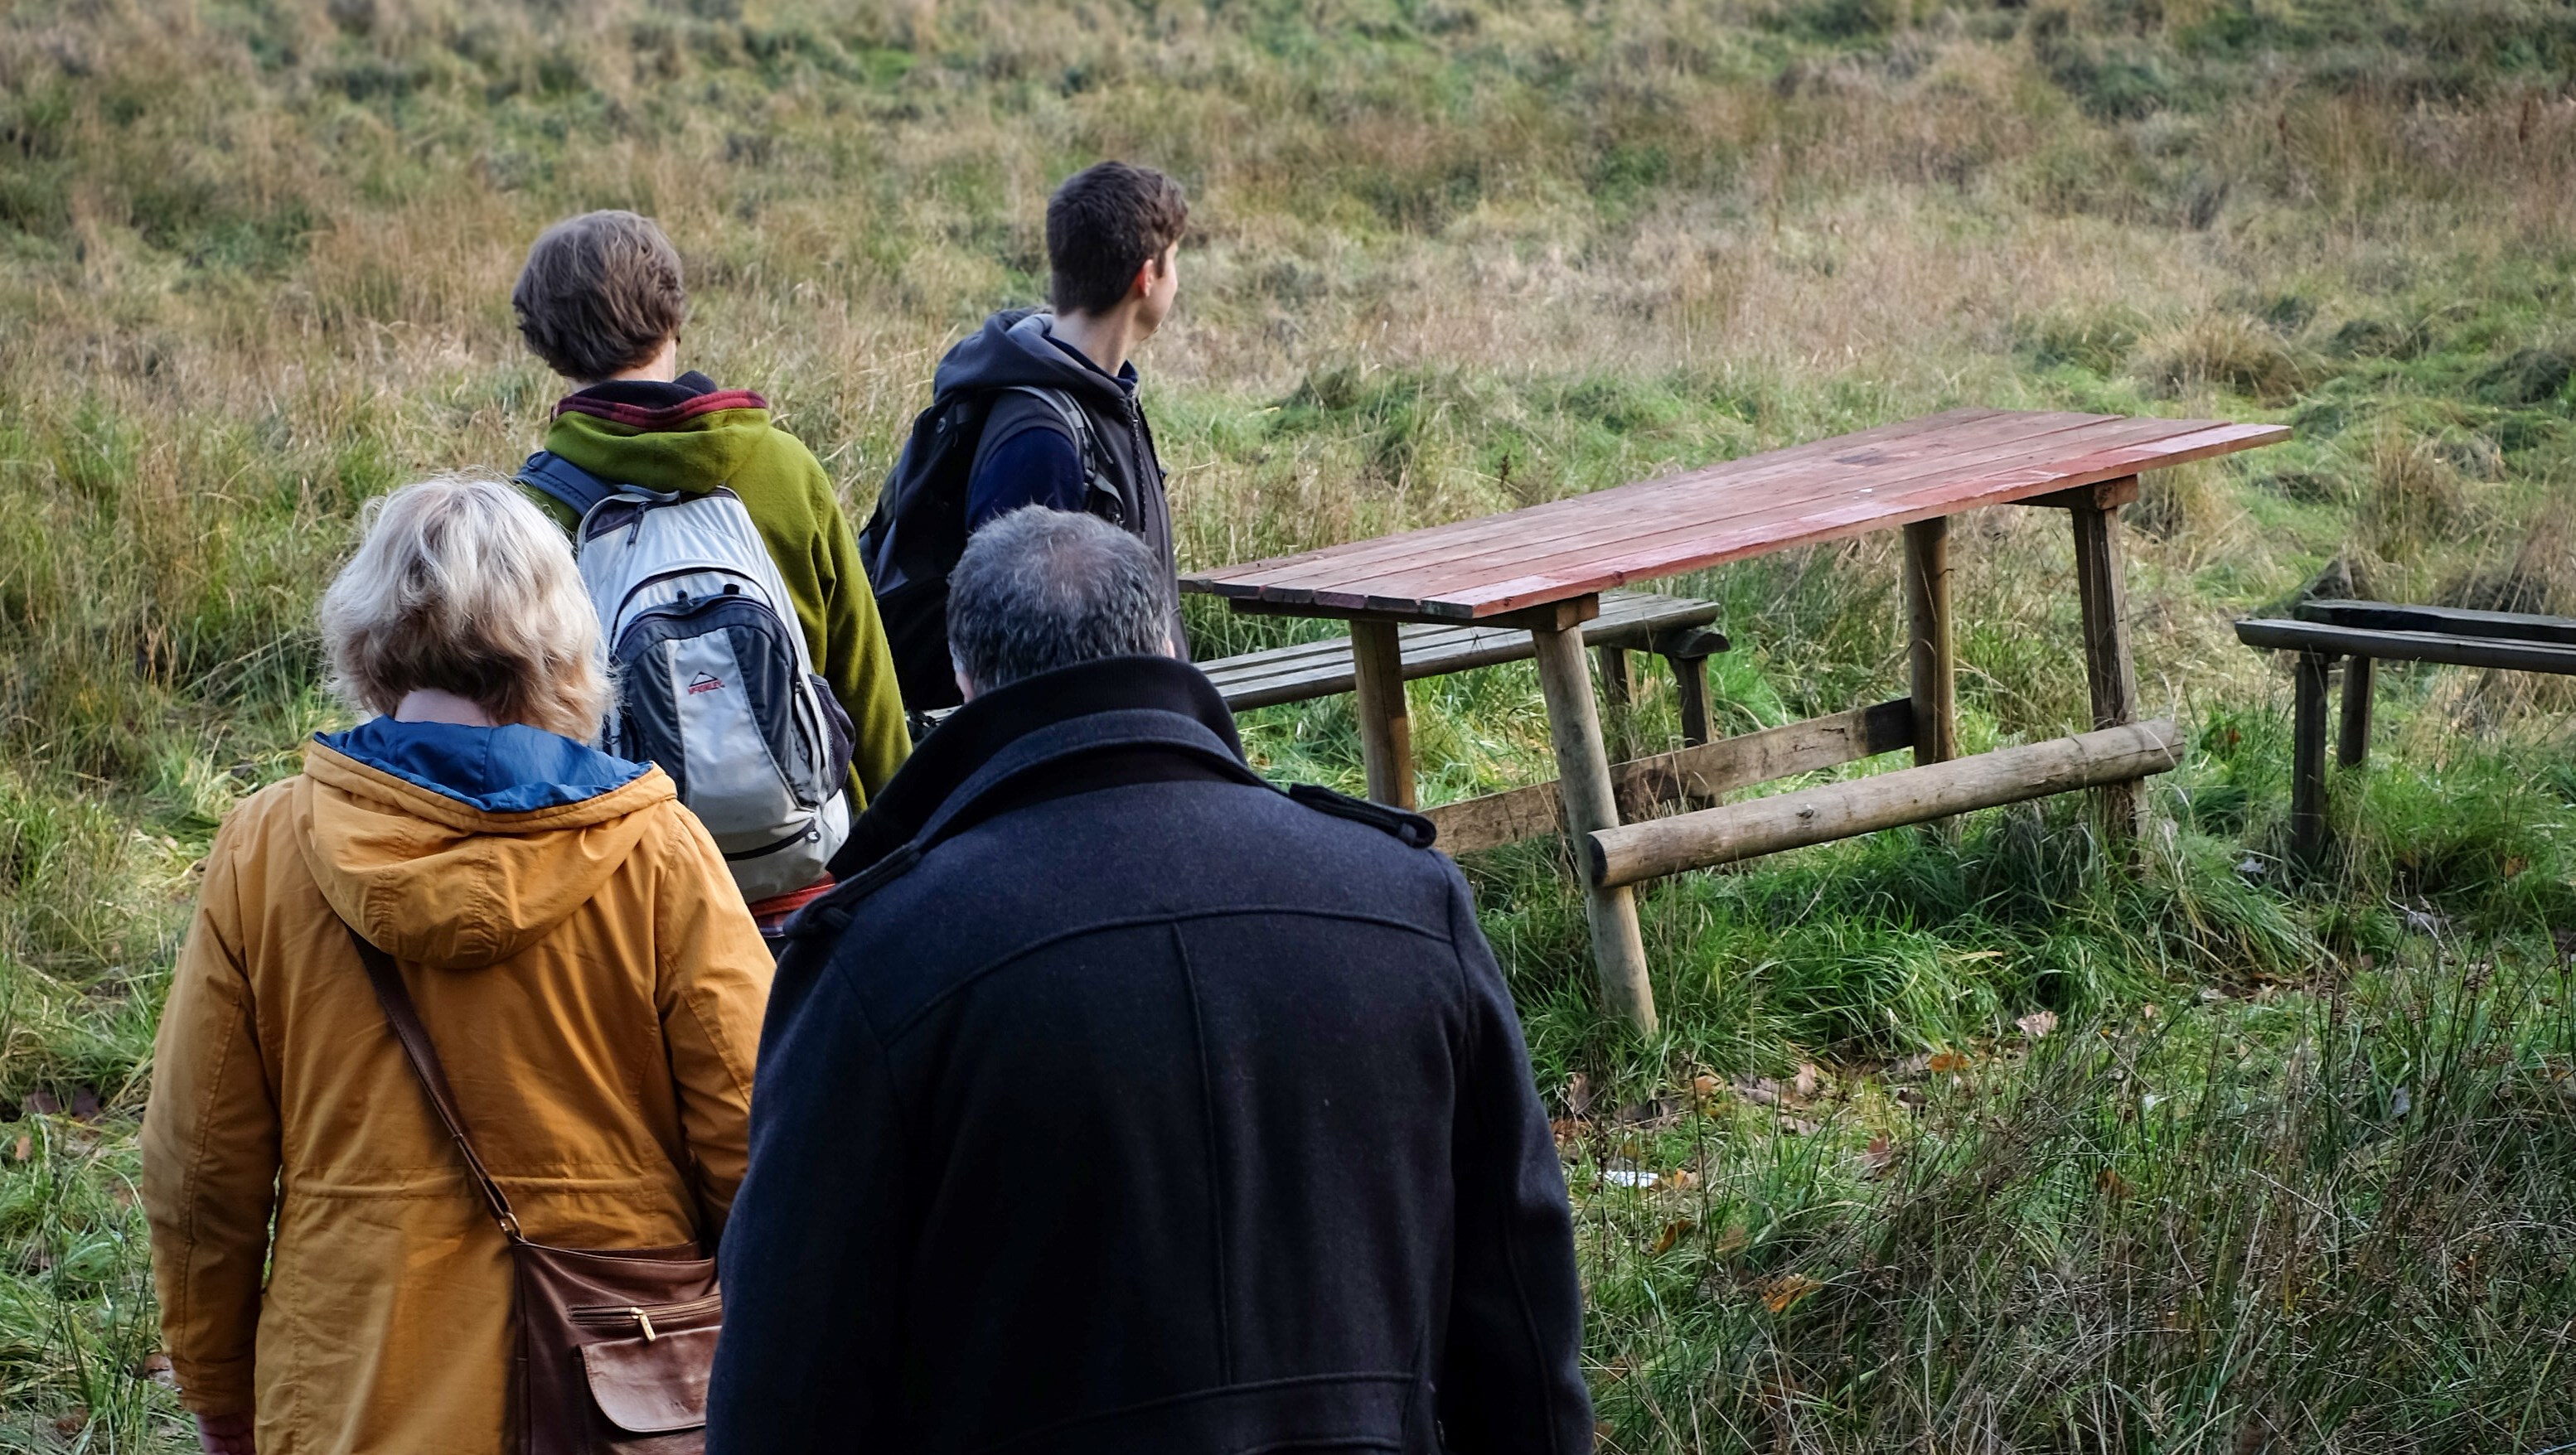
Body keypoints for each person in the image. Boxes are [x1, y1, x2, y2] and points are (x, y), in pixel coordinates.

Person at [709, 508, 1594, 1453]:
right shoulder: (1407, 902)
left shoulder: (875, 961)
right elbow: (1523, 1320)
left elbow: (785, 1385)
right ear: (1168, 642)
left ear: (966, 681)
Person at [143, 476, 773, 1454]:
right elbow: (761, 1139)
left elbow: (198, 1167)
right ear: (563, 644)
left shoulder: (266, 847)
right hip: (623, 1395)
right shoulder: (658, 851)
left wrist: (220, 1389)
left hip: (351, 1388)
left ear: (368, 635)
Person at [511, 209, 909, 930]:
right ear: (674, 317)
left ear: (547, 346)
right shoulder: (784, 468)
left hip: (639, 899)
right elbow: (865, 678)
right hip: (814, 875)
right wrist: (908, 841)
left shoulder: (531, 514)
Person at [858, 162, 1191, 711]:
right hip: (1079, 748)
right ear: (1147, 275)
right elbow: (1015, 657)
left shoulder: (1101, 393)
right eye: (1175, 259)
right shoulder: (1040, 439)